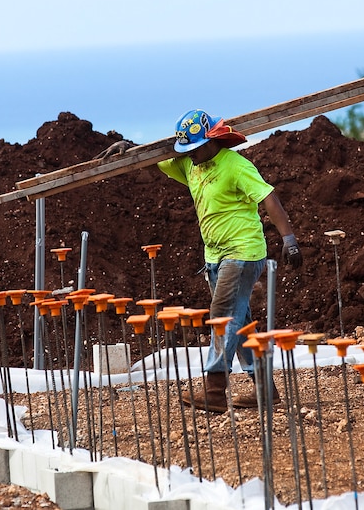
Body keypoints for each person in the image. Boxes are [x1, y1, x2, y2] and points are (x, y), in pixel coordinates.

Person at [103, 109, 303, 412]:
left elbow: (268, 199)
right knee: (240, 321)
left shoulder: (235, 165)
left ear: (211, 140)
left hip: (243, 252)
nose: (190, 155)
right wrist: (130, 147)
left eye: (194, 149)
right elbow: (156, 159)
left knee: (223, 314)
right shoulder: (191, 164)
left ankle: (214, 389)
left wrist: (289, 240)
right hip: (215, 255)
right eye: (187, 151)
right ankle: (265, 389)